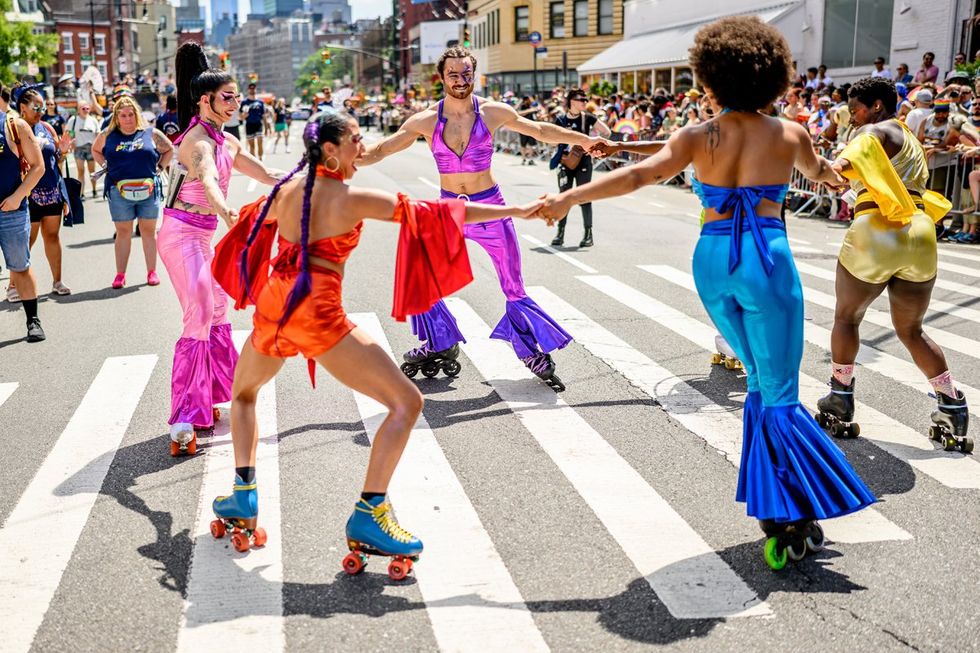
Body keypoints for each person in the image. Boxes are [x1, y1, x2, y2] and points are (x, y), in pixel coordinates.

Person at [538, 16, 875, 569]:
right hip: (766, 257)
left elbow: (639, 175)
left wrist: (569, 200)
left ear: (710, 77)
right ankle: (791, 506)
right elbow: (826, 176)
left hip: (712, 259)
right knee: (778, 387)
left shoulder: (696, 135)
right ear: (774, 76)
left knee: (761, 384)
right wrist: (846, 174)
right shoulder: (790, 133)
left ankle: (778, 501)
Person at [211, 111, 544, 564]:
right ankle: (369, 513)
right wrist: (518, 209)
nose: (363, 148)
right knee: (407, 404)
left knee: (244, 394)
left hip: (275, 306)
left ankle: (243, 495)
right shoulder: (349, 197)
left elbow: (247, 227)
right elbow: (441, 215)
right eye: (355, 140)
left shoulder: (287, 190)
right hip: (315, 313)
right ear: (330, 149)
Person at [358, 46, 605, 389]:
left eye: (466, 74)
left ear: (474, 75)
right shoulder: (426, 120)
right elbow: (381, 150)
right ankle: (440, 341)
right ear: (442, 78)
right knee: (423, 277)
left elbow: (541, 130)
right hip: (449, 211)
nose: (461, 81)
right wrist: (346, 159)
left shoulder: (492, 112)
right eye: (454, 75)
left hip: (489, 206)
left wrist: (584, 140)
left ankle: (528, 349)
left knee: (512, 285)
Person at [816, 76, 971, 451]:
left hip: (879, 229)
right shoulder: (912, 140)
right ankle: (951, 403)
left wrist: (831, 167)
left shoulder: (875, 129)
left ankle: (841, 396)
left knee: (847, 318)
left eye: (855, 109)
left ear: (877, 106)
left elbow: (851, 158)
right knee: (912, 330)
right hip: (920, 233)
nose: (852, 118)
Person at [159, 43, 285, 454]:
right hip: (180, 234)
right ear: (205, 100)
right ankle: (183, 417)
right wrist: (228, 212)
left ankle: (209, 395)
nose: (235, 103)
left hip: (202, 235)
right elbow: (209, 182)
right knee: (197, 312)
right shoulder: (197, 142)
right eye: (228, 97)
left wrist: (315, 173)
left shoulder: (227, 140)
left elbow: (266, 173)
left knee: (216, 308)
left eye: (237, 97)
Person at [92, 94, 174, 289]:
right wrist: (105, 165)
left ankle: (151, 271)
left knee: (148, 231)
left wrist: (160, 168)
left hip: (148, 189)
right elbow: (96, 150)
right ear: (116, 117)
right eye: (123, 115)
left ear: (136, 114)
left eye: (131, 114)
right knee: (123, 232)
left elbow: (169, 149)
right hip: (118, 191)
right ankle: (120, 274)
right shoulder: (107, 135)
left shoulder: (150, 133)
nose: (127, 119)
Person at [16, 86, 72, 296]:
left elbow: (56, 157)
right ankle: (14, 285)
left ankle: (57, 281)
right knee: (26, 240)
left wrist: (63, 152)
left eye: (42, 106)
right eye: (36, 107)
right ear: (23, 107)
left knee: (52, 236)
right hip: (28, 193)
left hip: (51, 190)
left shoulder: (46, 127)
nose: (40, 111)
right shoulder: (16, 129)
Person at [0, 93, 47, 340]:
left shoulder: (14, 125)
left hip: (11, 211)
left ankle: (33, 320)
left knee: (20, 267)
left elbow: (38, 166)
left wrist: (18, 196)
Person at [550, 88, 611, 248]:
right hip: (565, 162)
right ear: (571, 101)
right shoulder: (561, 119)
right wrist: (560, 138)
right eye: (581, 99)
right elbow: (551, 141)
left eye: (586, 99)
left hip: (583, 162)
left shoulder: (588, 118)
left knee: (584, 196)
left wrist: (595, 147)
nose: (584, 102)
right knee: (563, 197)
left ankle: (588, 234)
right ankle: (560, 233)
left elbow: (606, 131)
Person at [67, 102, 101, 199]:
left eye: (87, 108)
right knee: (80, 171)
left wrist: (98, 148)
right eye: (83, 108)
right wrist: (71, 142)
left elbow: (98, 134)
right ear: (78, 110)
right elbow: (69, 132)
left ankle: (94, 190)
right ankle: (81, 193)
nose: (85, 110)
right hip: (79, 148)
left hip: (91, 148)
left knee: (92, 171)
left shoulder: (93, 120)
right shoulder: (73, 120)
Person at [240, 83, 265, 160]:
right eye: (250, 88)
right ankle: (255, 161)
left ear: (255, 90)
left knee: (260, 142)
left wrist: (267, 128)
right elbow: (241, 117)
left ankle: (260, 158)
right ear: (248, 90)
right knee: (252, 145)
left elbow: (263, 115)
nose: (252, 90)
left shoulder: (260, 102)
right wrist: (244, 115)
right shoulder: (244, 102)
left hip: (258, 124)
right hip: (249, 125)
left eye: (253, 88)